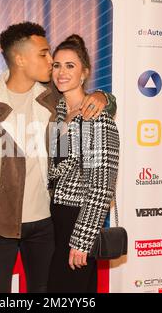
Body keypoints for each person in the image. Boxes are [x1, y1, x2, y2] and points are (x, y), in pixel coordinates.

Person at [0, 22, 116, 293]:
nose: (52, 62)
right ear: (20, 59)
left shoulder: (52, 98)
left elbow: (87, 101)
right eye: (44, 54)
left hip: (47, 224)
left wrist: (104, 97)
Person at [47, 35, 120, 293]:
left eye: (70, 66)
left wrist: (83, 239)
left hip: (78, 221)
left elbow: (102, 186)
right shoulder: (59, 113)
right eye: (57, 65)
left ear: (84, 73)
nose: (61, 72)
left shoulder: (97, 117)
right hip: (56, 220)